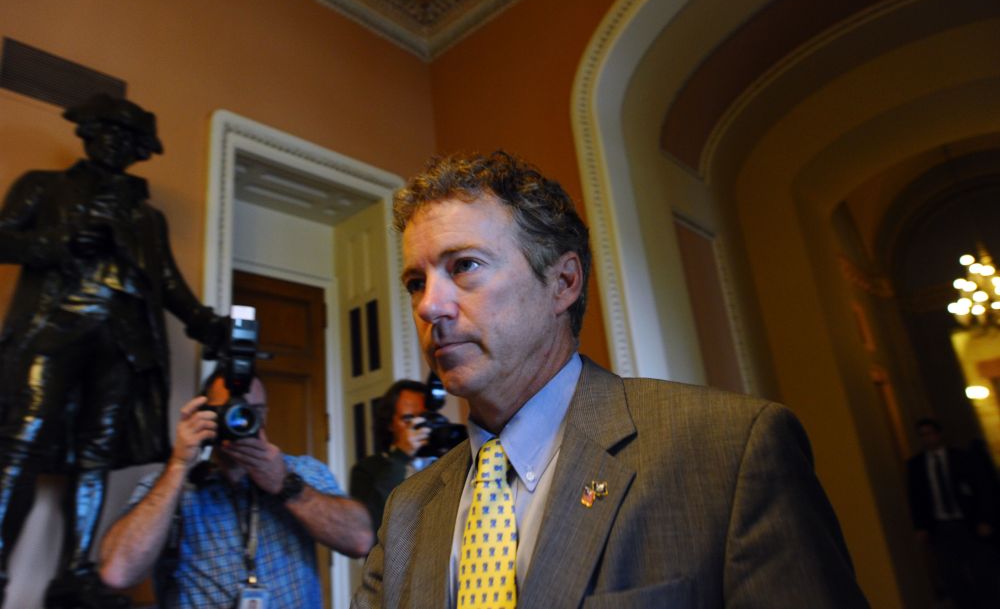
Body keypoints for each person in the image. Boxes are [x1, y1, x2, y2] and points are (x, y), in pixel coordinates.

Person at [351, 151, 869, 608]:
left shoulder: (730, 450)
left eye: (463, 266)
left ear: (563, 282)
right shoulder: (408, 509)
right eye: (416, 282)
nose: (429, 306)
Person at [0, 94, 226, 608]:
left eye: (129, 140)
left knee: (96, 457)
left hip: (124, 343)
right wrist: (57, 241)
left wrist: (207, 324)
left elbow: (168, 284)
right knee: (21, 442)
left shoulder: (148, 219)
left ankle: (78, 572)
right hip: (52, 331)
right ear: (87, 134)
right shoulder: (44, 186)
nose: (116, 144)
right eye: (107, 132)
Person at [99, 376, 374, 608]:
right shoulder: (171, 483)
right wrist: (179, 465)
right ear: (204, 415)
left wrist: (285, 485)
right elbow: (117, 572)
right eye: (228, 410)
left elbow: (360, 540)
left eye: (251, 411)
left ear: (264, 415)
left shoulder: (301, 471)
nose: (239, 421)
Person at [906, 418, 999, 608]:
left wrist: (984, 519)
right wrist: (921, 526)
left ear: (938, 434)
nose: (927, 439)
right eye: (923, 435)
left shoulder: (962, 458)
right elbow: (916, 497)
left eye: (930, 434)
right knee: (951, 573)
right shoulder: (916, 465)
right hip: (940, 525)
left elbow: (982, 489)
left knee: (981, 568)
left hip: (967, 521)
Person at [350, 380, 434, 536]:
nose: (417, 426)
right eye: (407, 419)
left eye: (423, 418)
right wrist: (401, 455)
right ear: (390, 423)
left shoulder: (443, 462)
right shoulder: (366, 469)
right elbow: (369, 530)